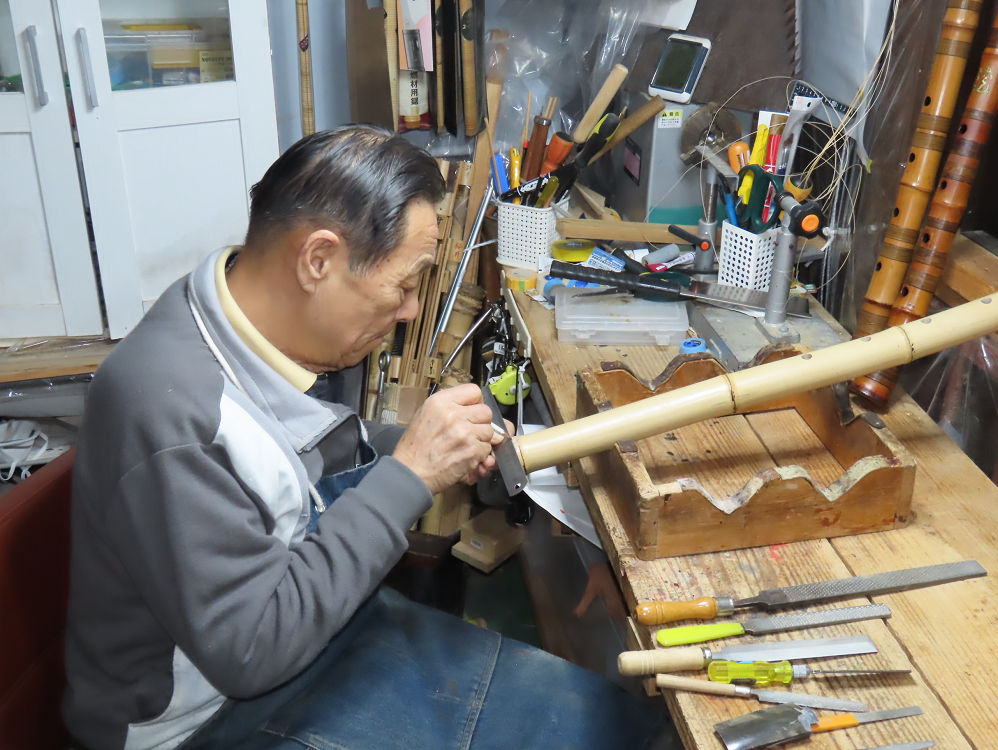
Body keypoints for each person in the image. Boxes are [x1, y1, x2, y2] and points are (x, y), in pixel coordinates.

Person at [63, 125, 675, 750]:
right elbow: (250, 653)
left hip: (304, 627)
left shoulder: (230, 316)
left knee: (603, 721)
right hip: (207, 718)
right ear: (318, 260)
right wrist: (411, 474)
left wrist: (433, 448)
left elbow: (309, 449)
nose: (410, 310)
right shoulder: (171, 411)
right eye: (404, 285)